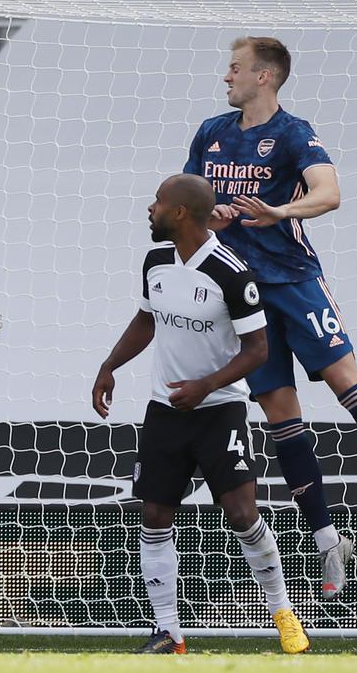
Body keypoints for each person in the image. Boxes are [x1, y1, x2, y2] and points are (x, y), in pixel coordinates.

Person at [184, 36, 357, 599]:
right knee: (281, 417)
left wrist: (280, 211)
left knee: (348, 383)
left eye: (235, 68)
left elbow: (329, 192)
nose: (226, 77)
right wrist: (207, 216)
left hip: (295, 281)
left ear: (264, 76)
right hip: (241, 293)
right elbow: (187, 201)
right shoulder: (211, 133)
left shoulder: (294, 133)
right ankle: (326, 540)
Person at [91, 173, 309, 655]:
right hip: (165, 409)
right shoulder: (155, 261)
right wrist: (109, 366)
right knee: (154, 515)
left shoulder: (231, 271)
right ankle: (168, 632)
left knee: (242, 513)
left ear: (180, 212)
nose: (150, 209)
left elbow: (258, 349)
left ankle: (283, 613)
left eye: (157, 202)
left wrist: (206, 385)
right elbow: (146, 319)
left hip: (219, 409)